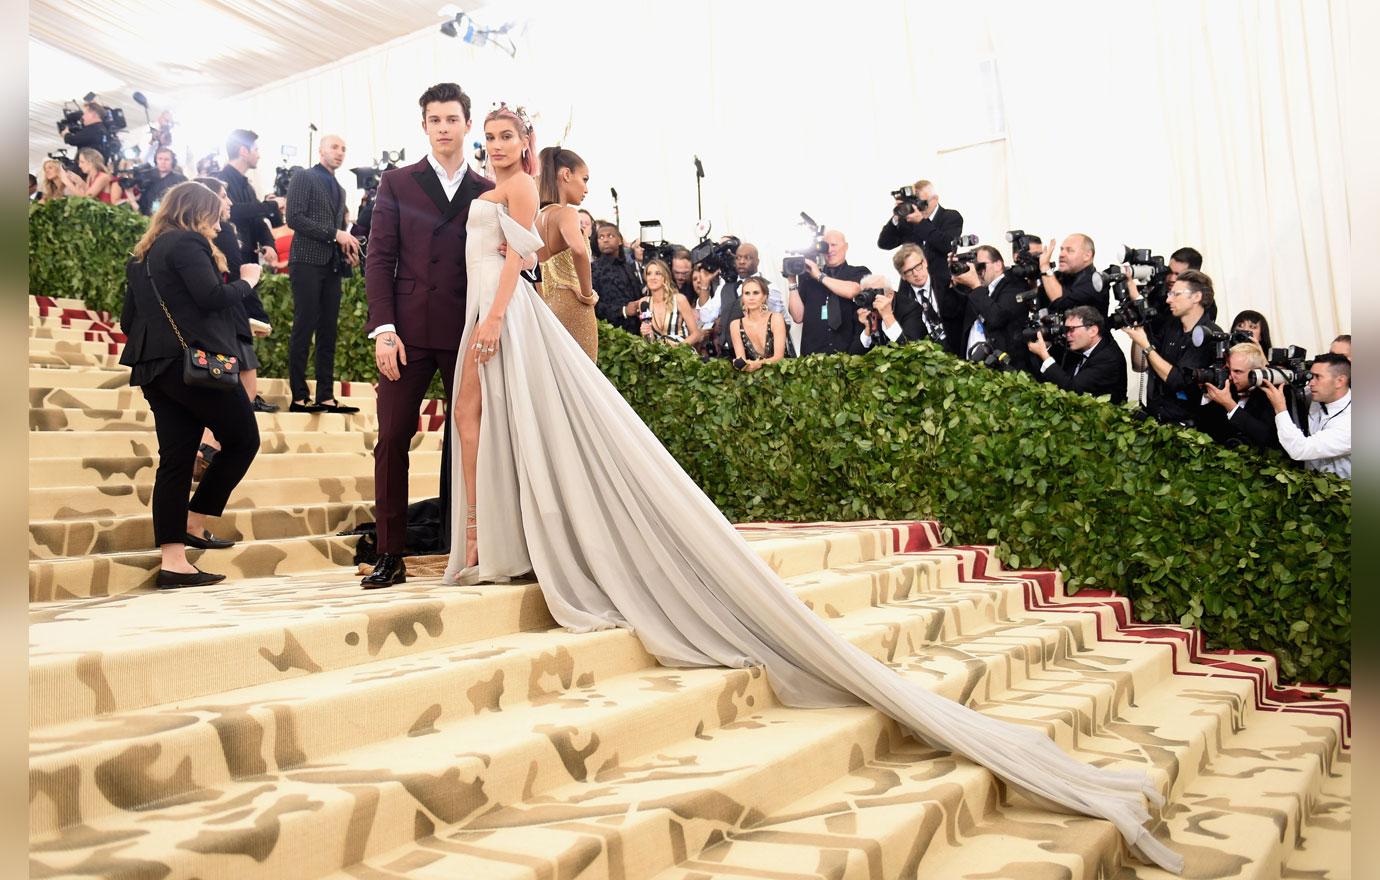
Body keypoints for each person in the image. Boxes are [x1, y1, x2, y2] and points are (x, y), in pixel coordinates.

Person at [432, 96, 1184, 876]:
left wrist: (495, 319)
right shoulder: (491, 193)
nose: (494, 147)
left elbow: (523, 265)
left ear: (529, 146)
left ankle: (506, 538)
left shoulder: (526, 194)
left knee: (519, 428)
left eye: (505, 136)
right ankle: (491, 538)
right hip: (493, 317)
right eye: (487, 138)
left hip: (509, 319)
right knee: (483, 425)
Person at [361, 82, 497, 589]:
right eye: (434, 120)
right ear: (425, 126)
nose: (443, 128)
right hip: (408, 333)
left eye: (452, 119)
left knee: (479, 439)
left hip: (467, 330)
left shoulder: (487, 189)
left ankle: (480, 545)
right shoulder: (397, 183)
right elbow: (379, 259)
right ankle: (389, 552)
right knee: (393, 437)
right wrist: (385, 329)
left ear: (467, 124)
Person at [118, 181, 263, 588]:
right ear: (197, 211)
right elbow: (212, 296)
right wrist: (249, 281)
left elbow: (130, 321)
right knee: (243, 441)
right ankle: (195, 520)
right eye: (214, 216)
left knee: (176, 460)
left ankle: (174, 561)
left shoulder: (142, 256)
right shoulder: (187, 243)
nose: (218, 225)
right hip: (197, 366)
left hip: (154, 368)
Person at [285, 134, 361, 414]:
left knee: (329, 330)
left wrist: (347, 250)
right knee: (304, 327)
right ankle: (299, 396)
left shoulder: (340, 189)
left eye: (344, 148)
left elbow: (338, 231)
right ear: (321, 150)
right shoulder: (305, 177)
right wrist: (336, 234)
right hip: (305, 261)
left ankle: (326, 396)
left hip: (331, 265)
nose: (340, 152)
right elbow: (293, 218)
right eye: (334, 147)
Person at [1119, 269, 1223, 428]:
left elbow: (1179, 380)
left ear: (1196, 297)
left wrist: (1146, 346)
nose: (1168, 300)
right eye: (1169, 294)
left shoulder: (1211, 335)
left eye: (1176, 294)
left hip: (1189, 427)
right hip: (1157, 418)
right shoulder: (1170, 326)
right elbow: (1140, 365)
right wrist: (1139, 328)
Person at [876, 179, 966, 351]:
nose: (919, 206)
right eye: (915, 202)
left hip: (942, 289)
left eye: (922, 202)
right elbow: (884, 243)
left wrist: (921, 222)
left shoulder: (950, 217)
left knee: (949, 337)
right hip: (911, 289)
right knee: (913, 333)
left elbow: (946, 244)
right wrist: (897, 215)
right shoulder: (907, 220)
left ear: (935, 199)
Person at [535, 146, 599, 361]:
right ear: (566, 175)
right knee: (585, 379)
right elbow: (579, 250)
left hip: (546, 308)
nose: (587, 189)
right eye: (585, 179)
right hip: (574, 306)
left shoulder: (537, 218)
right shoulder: (567, 213)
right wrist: (587, 294)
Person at [1262, 353, 1350, 478]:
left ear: (1339, 381)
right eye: (1311, 376)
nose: (1311, 383)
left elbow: (1300, 449)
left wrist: (1280, 408)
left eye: (1317, 377)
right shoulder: (1319, 395)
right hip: (1312, 484)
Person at [787, 230, 870, 356]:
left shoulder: (858, 272)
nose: (829, 250)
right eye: (826, 246)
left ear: (846, 247)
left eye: (834, 245)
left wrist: (820, 276)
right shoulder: (808, 277)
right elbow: (798, 317)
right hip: (813, 357)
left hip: (849, 354)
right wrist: (791, 280)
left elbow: (852, 291)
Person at [952, 245, 1033, 372]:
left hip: (1003, 368)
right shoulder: (977, 288)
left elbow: (997, 317)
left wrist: (975, 286)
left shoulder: (1015, 285)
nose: (978, 271)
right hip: (973, 364)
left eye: (981, 266)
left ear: (998, 265)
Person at [1028, 305, 1128, 402]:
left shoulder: (1108, 358)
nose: (1067, 335)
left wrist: (1044, 355)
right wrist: (1045, 348)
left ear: (1093, 331)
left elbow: (1073, 390)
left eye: (1072, 329)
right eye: (1065, 330)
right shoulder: (1080, 347)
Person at [216, 129, 285, 266]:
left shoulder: (247, 186)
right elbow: (233, 211)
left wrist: (268, 243)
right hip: (229, 258)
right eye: (256, 150)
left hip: (249, 258)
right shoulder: (219, 181)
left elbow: (256, 218)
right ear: (243, 151)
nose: (258, 155)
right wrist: (271, 205)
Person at [1201, 342, 1284, 453]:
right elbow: (1206, 429)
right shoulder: (1227, 388)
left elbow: (1268, 438)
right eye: (1228, 370)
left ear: (1257, 372)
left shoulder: (1271, 394)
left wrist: (1230, 406)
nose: (1230, 376)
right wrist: (1207, 394)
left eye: (1237, 372)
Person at [1037, 233, 1108, 317]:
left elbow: (1060, 302)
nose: (1061, 254)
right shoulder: (1058, 276)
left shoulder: (1095, 283)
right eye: (1061, 249)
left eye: (1070, 250)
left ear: (1087, 256)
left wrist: (1045, 267)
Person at [634, 259, 701, 348]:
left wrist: (676, 351)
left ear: (665, 278)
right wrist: (647, 335)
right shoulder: (644, 303)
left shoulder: (679, 299)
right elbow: (649, 342)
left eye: (657, 273)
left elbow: (696, 334)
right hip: (660, 357)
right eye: (649, 273)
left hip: (683, 354)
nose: (652, 277)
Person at [592, 222, 642, 334]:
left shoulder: (628, 267)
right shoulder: (593, 269)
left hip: (635, 332)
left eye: (610, 236)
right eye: (601, 237)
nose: (605, 240)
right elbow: (592, 304)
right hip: (609, 334)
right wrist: (623, 310)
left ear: (620, 240)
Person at [854, 274, 925, 352]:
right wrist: (868, 329)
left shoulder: (910, 309)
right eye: (865, 292)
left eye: (874, 292)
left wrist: (887, 316)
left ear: (890, 294)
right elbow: (855, 355)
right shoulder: (864, 311)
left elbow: (911, 350)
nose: (868, 297)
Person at [728, 275, 786, 368]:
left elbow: (779, 358)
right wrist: (739, 364)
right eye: (747, 293)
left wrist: (757, 364)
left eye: (756, 293)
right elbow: (741, 360)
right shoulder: (735, 325)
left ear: (764, 297)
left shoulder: (776, 318)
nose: (751, 298)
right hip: (753, 378)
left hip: (783, 375)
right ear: (742, 298)